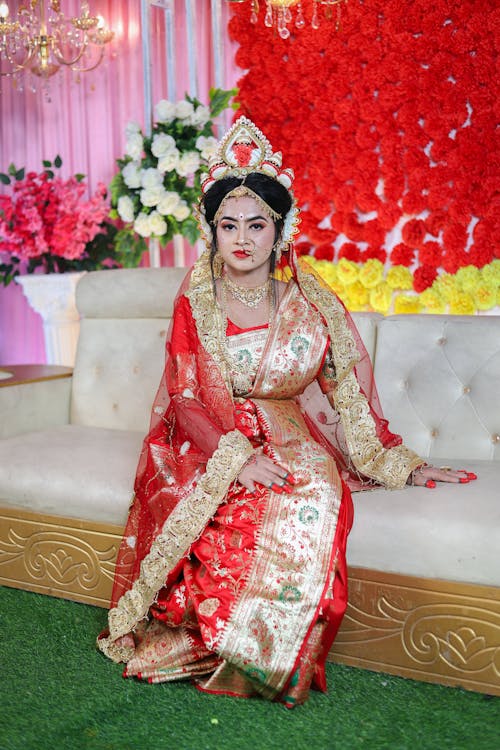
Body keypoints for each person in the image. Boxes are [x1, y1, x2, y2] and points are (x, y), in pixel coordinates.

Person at [98, 117, 475, 707]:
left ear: (280, 230)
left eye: (257, 224)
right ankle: (215, 638)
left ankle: (265, 660)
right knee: (234, 501)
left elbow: (346, 395)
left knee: (314, 496)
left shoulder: (311, 303)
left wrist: (398, 463)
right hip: (213, 441)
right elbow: (186, 397)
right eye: (229, 225)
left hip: (295, 440)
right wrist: (234, 458)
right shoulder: (196, 302)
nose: (242, 239)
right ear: (212, 230)